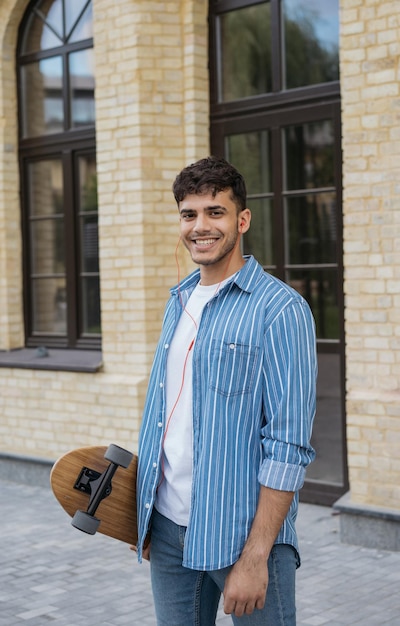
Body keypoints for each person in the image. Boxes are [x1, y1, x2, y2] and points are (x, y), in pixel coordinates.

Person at [135, 156, 317, 625]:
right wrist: (145, 513)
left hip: (242, 539)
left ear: (242, 219)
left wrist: (256, 556)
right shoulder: (177, 301)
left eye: (214, 212)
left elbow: (288, 445)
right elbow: (165, 416)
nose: (200, 226)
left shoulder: (280, 310)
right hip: (169, 533)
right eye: (189, 214)